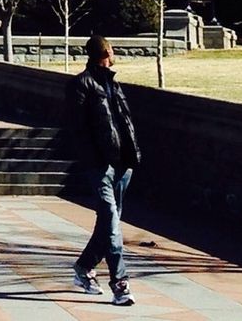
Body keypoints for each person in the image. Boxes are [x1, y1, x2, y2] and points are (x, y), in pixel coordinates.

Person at [66, 34, 141, 307]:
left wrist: (132, 156)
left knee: (109, 224)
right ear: (107, 51)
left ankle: (84, 267)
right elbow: (77, 130)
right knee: (111, 221)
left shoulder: (113, 83)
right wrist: (94, 160)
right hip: (100, 166)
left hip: (122, 165)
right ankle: (120, 284)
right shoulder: (80, 86)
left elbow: (124, 123)